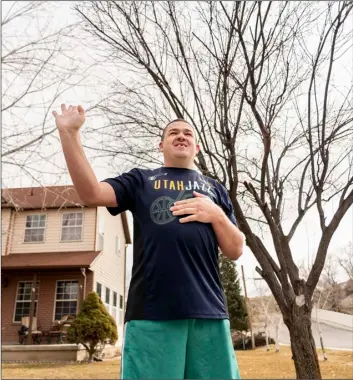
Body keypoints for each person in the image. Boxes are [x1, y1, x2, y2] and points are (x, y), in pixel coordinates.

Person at [53, 104, 244, 379]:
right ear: (161, 145)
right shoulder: (141, 180)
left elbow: (236, 249)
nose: (181, 136)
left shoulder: (215, 189)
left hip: (210, 314)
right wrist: (70, 135)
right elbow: (91, 194)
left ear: (197, 147)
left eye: (187, 133)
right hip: (152, 313)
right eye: (173, 133)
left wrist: (217, 215)